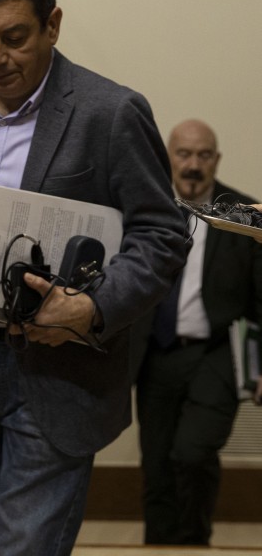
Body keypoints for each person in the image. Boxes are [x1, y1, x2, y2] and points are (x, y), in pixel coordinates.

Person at [0, 0, 189, 556]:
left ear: (52, 25)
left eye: (14, 38)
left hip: (57, 370)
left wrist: (92, 308)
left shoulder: (110, 112)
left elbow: (163, 233)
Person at [132, 118, 262, 545]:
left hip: (217, 354)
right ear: (168, 158)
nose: (193, 165)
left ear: (216, 160)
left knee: (192, 453)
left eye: (204, 155)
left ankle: (192, 544)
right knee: (156, 465)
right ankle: (158, 547)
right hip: (155, 354)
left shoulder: (244, 215)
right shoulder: (145, 207)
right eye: (184, 154)